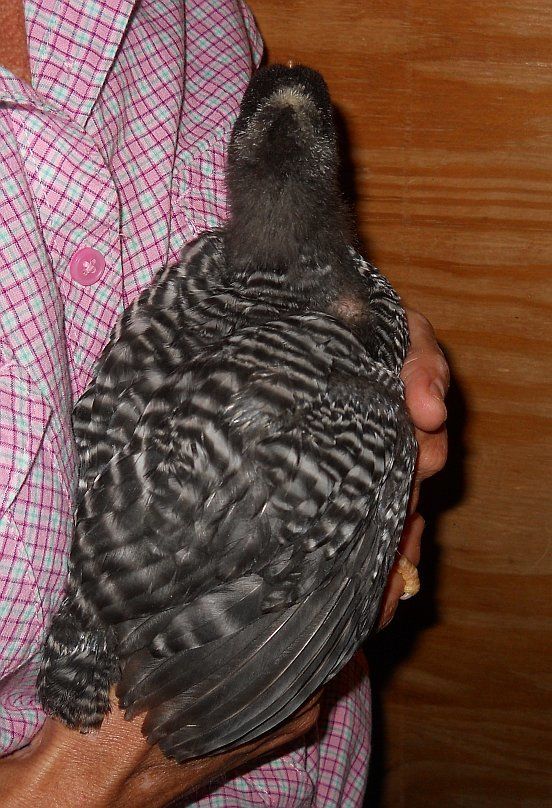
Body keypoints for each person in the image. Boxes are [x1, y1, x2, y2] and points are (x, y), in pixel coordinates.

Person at [0, 1, 448, 805]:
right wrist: (85, 784)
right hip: (152, 710)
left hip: (306, 757)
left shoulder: (191, 14)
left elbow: (269, 268)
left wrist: (353, 333)